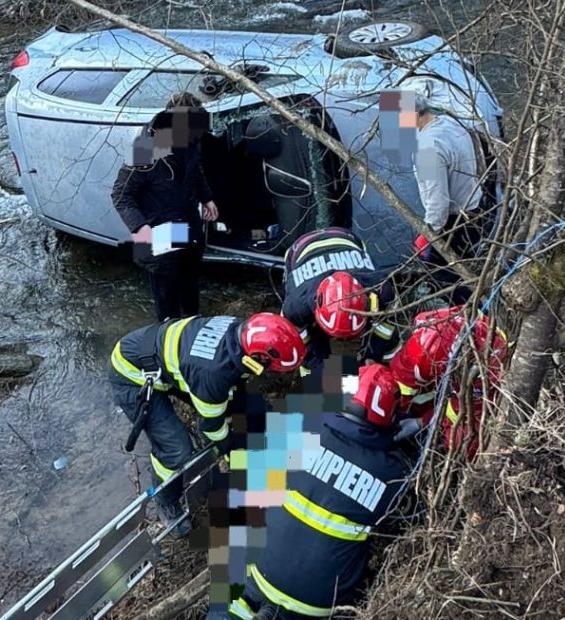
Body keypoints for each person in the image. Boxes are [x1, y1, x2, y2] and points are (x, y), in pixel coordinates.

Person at [228, 363, 413, 619]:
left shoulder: (305, 429)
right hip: (317, 604)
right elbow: (407, 520)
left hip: (261, 572)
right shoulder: (393, 474)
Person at [109, 313, 305, 536]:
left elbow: (234, 387)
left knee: (247, 406)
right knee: (176, 449)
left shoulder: (240, 331)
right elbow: (212, 428)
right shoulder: (212, 373)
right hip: (132, 375)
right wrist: (231, 453)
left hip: (166, 358)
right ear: (257, 359)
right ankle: (167, 501)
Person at [112, 92, 219, 322]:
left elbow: (195, 170)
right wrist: (140, 228)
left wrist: (206, 197)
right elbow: (121, 195)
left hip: (189, 222)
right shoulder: (145, 150)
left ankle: (193, 323)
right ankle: (167, 333)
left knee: (191, 283)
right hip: (160, 229)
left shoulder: (190, 141)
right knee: (166, 289)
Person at [389, 306, 508, 460]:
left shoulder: (485, 367)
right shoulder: (432, 327)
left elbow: (463, 414)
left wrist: (422, 422)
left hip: (477, 388)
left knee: (462, 442)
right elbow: (401, 381)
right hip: (446, 363)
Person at [280, 227, 399, 375]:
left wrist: (372, 355)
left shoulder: (382, 289)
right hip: (300, 249)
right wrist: (315, 363)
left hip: (347, 239)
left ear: (367, 301)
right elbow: (297, 335)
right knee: (311, 358)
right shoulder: (295, 305)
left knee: (389, 341)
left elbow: (387, 323)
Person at [410, 90, 494, 266]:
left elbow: (438, 202)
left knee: (446, 276)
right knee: (467, 263)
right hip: (475, 208)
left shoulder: (427, 148)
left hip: (453, 225)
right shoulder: (451, 123)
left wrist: (428, 234)